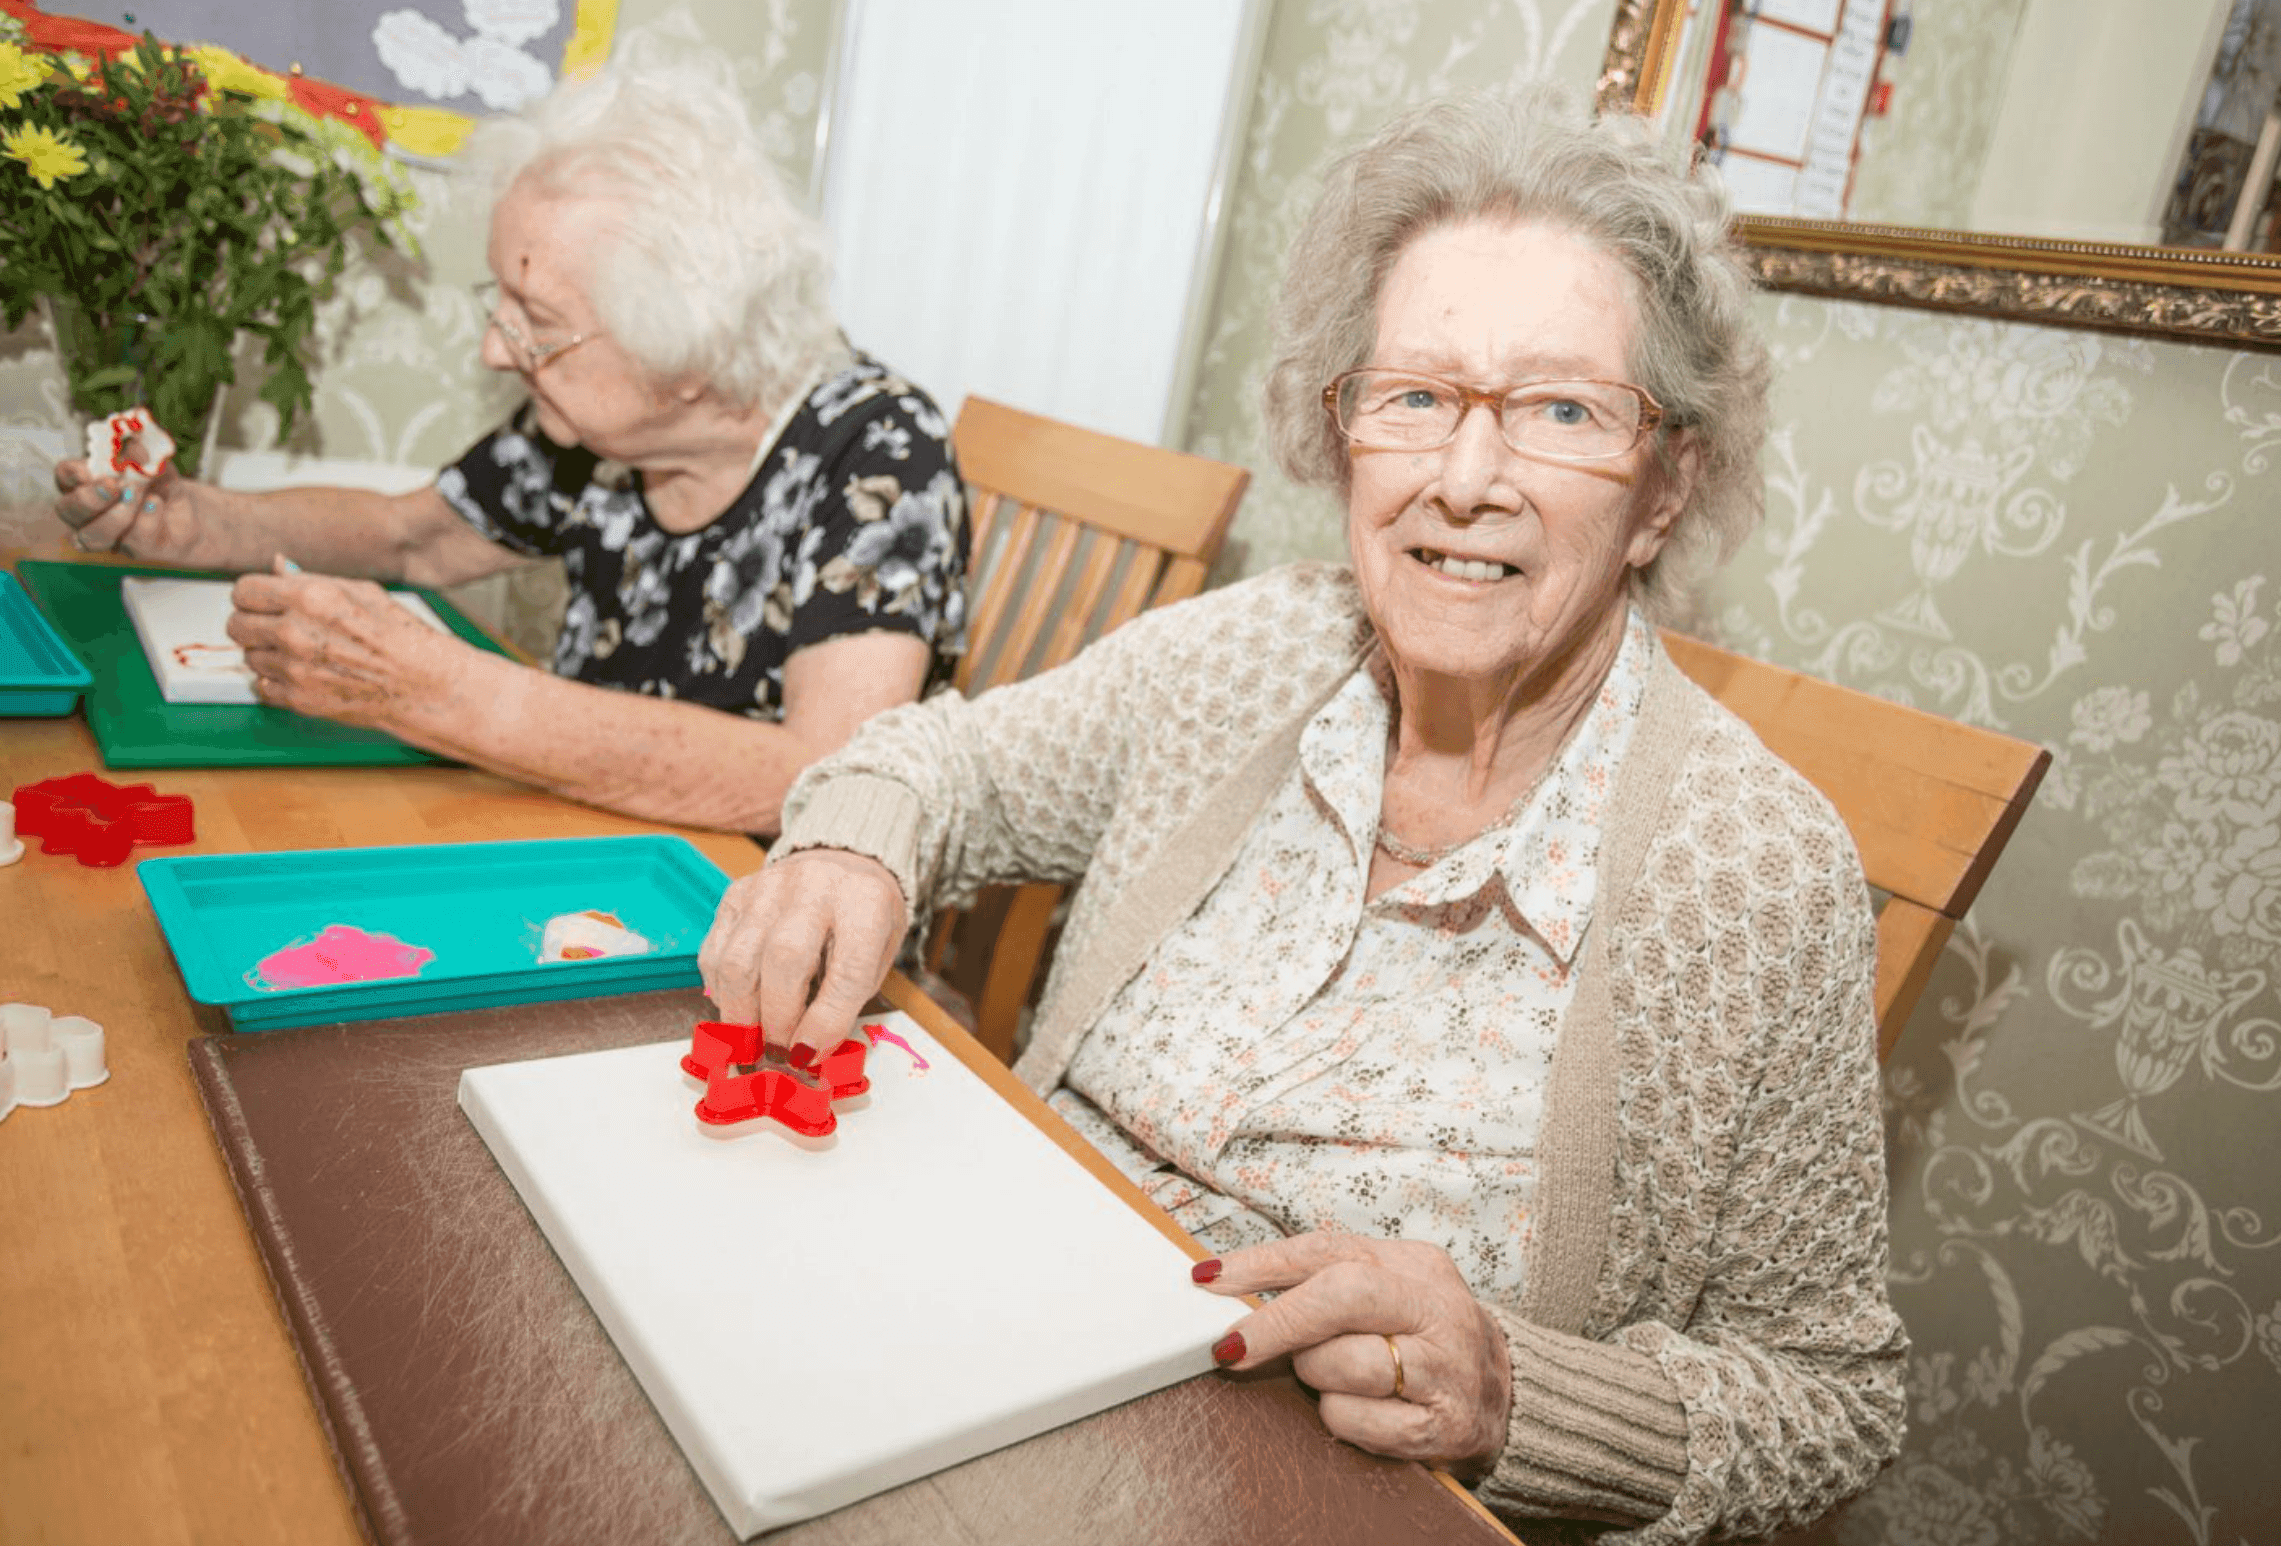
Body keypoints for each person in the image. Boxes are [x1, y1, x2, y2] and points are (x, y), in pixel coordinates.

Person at [699, 89, 1905, 1541]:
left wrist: (1520, 1394)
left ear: (1664, 489)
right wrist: (851, 841)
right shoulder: (1253, 651)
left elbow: (1832, 1391)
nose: (1468, 480)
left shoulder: (1760, 872)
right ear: (1344, 433)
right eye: (1417, 397)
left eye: (1564, 410)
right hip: (984, 1350)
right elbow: (946, 766)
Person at [48, 32, 968, 836]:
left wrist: (441, 692)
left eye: (536, 319)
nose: (496, 350)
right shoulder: (591, 430)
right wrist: (197, 521)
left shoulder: (882, 451)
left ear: (693, 350)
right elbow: (416, 537)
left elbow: (819, 777)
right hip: (581, 830)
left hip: (750, 914)